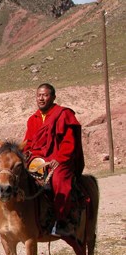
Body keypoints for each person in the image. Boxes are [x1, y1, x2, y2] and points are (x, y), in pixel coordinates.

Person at [23, 83, 84, 237]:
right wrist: (23, 156)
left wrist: (59, 158)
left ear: (53, 97)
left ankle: (62, 221)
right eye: (39, 95)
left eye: (45, 95)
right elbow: (28, 143)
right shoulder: (33, 119)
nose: (41, 98)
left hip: (59, 159)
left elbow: (70, 142)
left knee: (58, 179)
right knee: (16, 177)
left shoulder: (63, 115)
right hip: (37, 159)